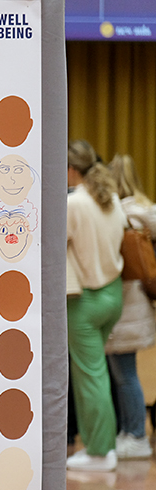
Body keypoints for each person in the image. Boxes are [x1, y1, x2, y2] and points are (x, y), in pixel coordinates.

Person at [65, 140, 126, 471]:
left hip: (86, 300)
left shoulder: (74, 203)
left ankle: (100, 452)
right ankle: (98, 446)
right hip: (113, 295)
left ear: (72, 169)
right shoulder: (111, 198)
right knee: (95, 372)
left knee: (90, 377)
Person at [105, 154, 156, 458]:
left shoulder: (124, 214)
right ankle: (129, 431)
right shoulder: (145, 210)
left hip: (127, 307)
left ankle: (135, 434)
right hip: (137, 304)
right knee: (124, 373)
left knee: (125, 374)